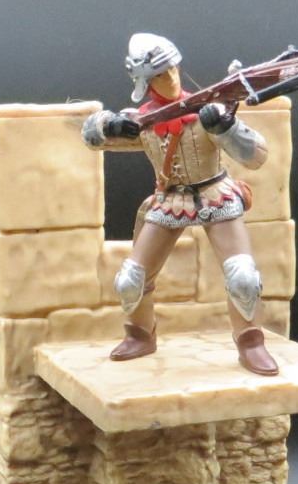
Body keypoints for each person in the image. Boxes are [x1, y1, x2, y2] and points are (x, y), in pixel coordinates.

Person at [82, 32, 280, 376]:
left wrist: (227, 127)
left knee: (243, 277)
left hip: (215, 194)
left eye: (173, 68)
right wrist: (108, 124)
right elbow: (91, 137)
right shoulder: (144, 121)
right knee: (130, 280)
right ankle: (140, 335)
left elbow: (256, 156)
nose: (171, 77)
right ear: (145, 82)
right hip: (169, 200)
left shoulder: (208, 112)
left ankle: (250, 342)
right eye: (161, 74)